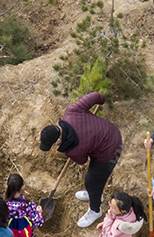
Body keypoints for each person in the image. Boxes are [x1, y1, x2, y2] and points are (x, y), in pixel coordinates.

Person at [39, 91, 122, 228]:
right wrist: (101, 100)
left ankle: (95, 210)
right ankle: (96, 194)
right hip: (111, 130)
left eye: (54, 144)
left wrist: (78, 149)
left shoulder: (73, 150)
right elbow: (95, 96)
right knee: (96, 179)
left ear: (59, 139)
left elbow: (83, 161)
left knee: (92, 181)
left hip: (109, 151)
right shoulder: (71, 112)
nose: (55, 146)